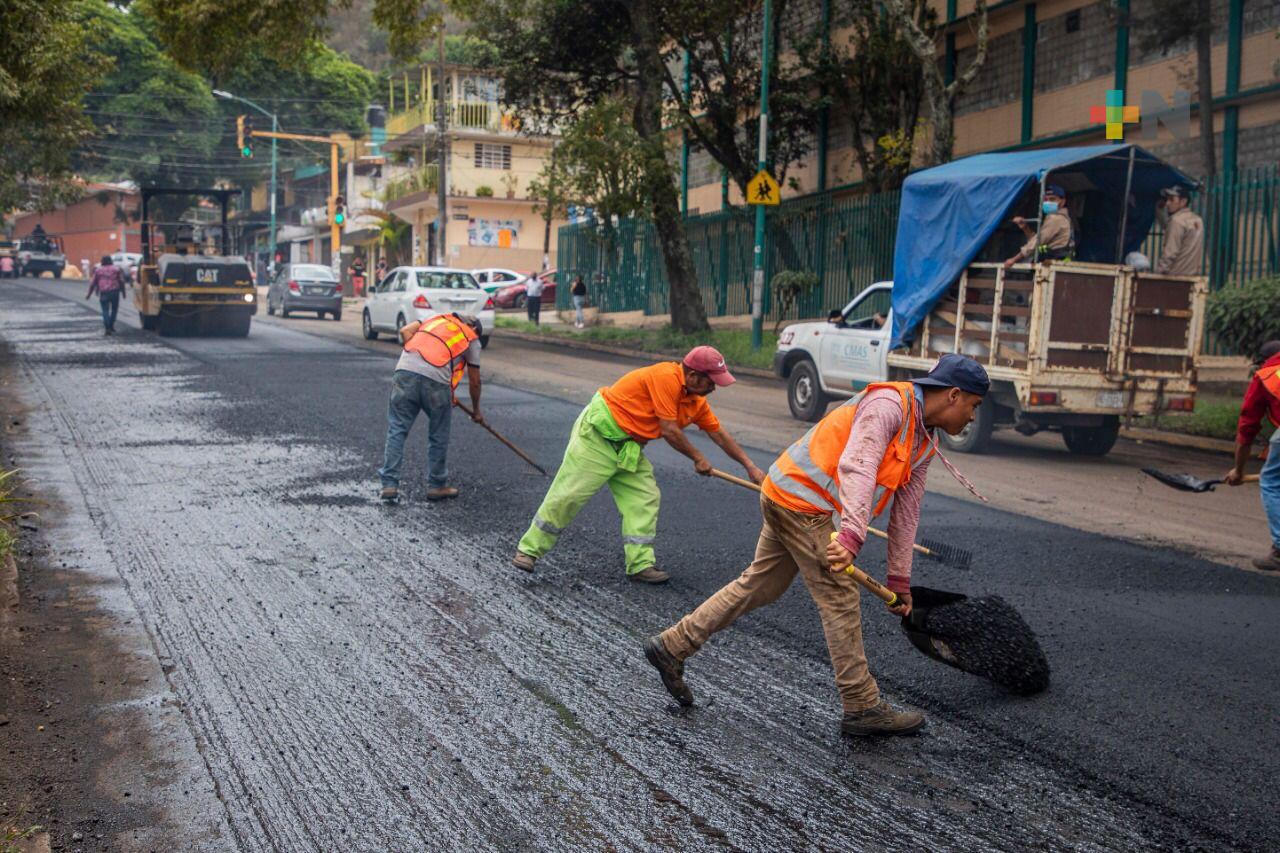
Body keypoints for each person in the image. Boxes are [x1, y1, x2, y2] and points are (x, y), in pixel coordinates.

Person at [643, 353, 989, 736]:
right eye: (974, 405)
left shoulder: (924, 440)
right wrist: (851, 535)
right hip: (804, 505)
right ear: (954, 395)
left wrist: (899, 580)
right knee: (840, 597)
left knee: (760, 584)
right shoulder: (889, 405)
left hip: (785, 494)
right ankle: (861, 706)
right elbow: (858, 465)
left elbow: (907, 511)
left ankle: (672, 646)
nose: (973, 417)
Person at [513, 347, 765, 584]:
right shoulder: (666, 377)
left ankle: (640, 564)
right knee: (569, 495)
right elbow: (669, 430)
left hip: (629, 447)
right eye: (711, 382)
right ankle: (529, 550)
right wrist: (698, 458)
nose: (714, 388)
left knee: (644, 497)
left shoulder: (695, 402)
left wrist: (750, 467)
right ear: (692, 376)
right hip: (598, 437)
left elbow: (719, 434)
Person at [378, 311, 484, 504]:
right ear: (475, 328)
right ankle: (436, 485)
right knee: (438, 433)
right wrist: (476, 411)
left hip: (405, 371)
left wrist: (418, 362)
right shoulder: (471, 337)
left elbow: (405, 331)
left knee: (397, 429)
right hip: (436, 381)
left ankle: (389, 485)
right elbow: (475, 381)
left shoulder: (434, 319)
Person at [1225, 340, 1280, 571]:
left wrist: (1238, 470)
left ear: (1262, 362)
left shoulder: (1266, 375)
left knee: (1271, 482)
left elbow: (1247, 428)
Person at [1004, 184, 1074, 268]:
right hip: (1055, 262)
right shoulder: (1060, 218)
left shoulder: (1056, 219)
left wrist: (1014, 259)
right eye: (1046, 199)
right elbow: (1038, 239)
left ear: (1062, 202)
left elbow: (1037, 242)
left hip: (1054, 263)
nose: (1048, 202)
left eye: (1052, 199)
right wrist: (1025, 227)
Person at [1155, 186, 1204, 276]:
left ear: (1183, 201)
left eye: (1171, 199)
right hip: (1193, 275)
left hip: (1175, 276)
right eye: (1167, 199)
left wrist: (1159, 273)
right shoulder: (1198, 220)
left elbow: (1170, 253)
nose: (1167, 203)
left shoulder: (1176, 221)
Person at [85, 255, 127, 335]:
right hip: (114, 292)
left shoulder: (98, 270)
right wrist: (123, 293)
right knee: (114, 309)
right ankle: (111, 325)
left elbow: (93, 283)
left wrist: (89, 294)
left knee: (105, 310)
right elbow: (121, 281)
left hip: (104, 292)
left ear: (102, 261)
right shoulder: (116, 269)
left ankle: (107, 327)